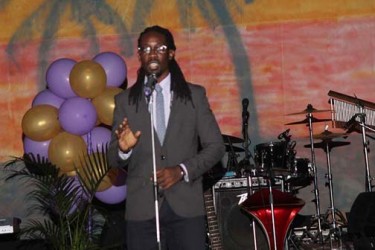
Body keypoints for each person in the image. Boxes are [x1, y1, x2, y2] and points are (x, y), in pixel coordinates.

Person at [107, 25, 225, 250]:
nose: (152, 53)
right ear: (140, 55)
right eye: (146, 48)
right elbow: (113, 159)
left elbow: (216, 147)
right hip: (142, 211)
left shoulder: (194, 96)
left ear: (171, 53)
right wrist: (123, 149)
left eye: (159, 47)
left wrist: (182, 170)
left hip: (186, 208)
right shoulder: (125, 101)